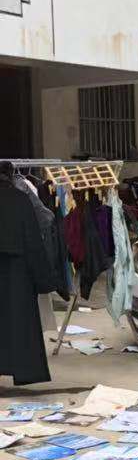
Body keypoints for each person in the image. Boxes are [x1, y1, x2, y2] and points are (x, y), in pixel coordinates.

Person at [0, 161, 53, 385]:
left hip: (15, 268)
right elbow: (33, 240)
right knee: (18, 324)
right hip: (17, 273)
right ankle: (20, 369)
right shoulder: (20, 199)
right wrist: (43, 279)